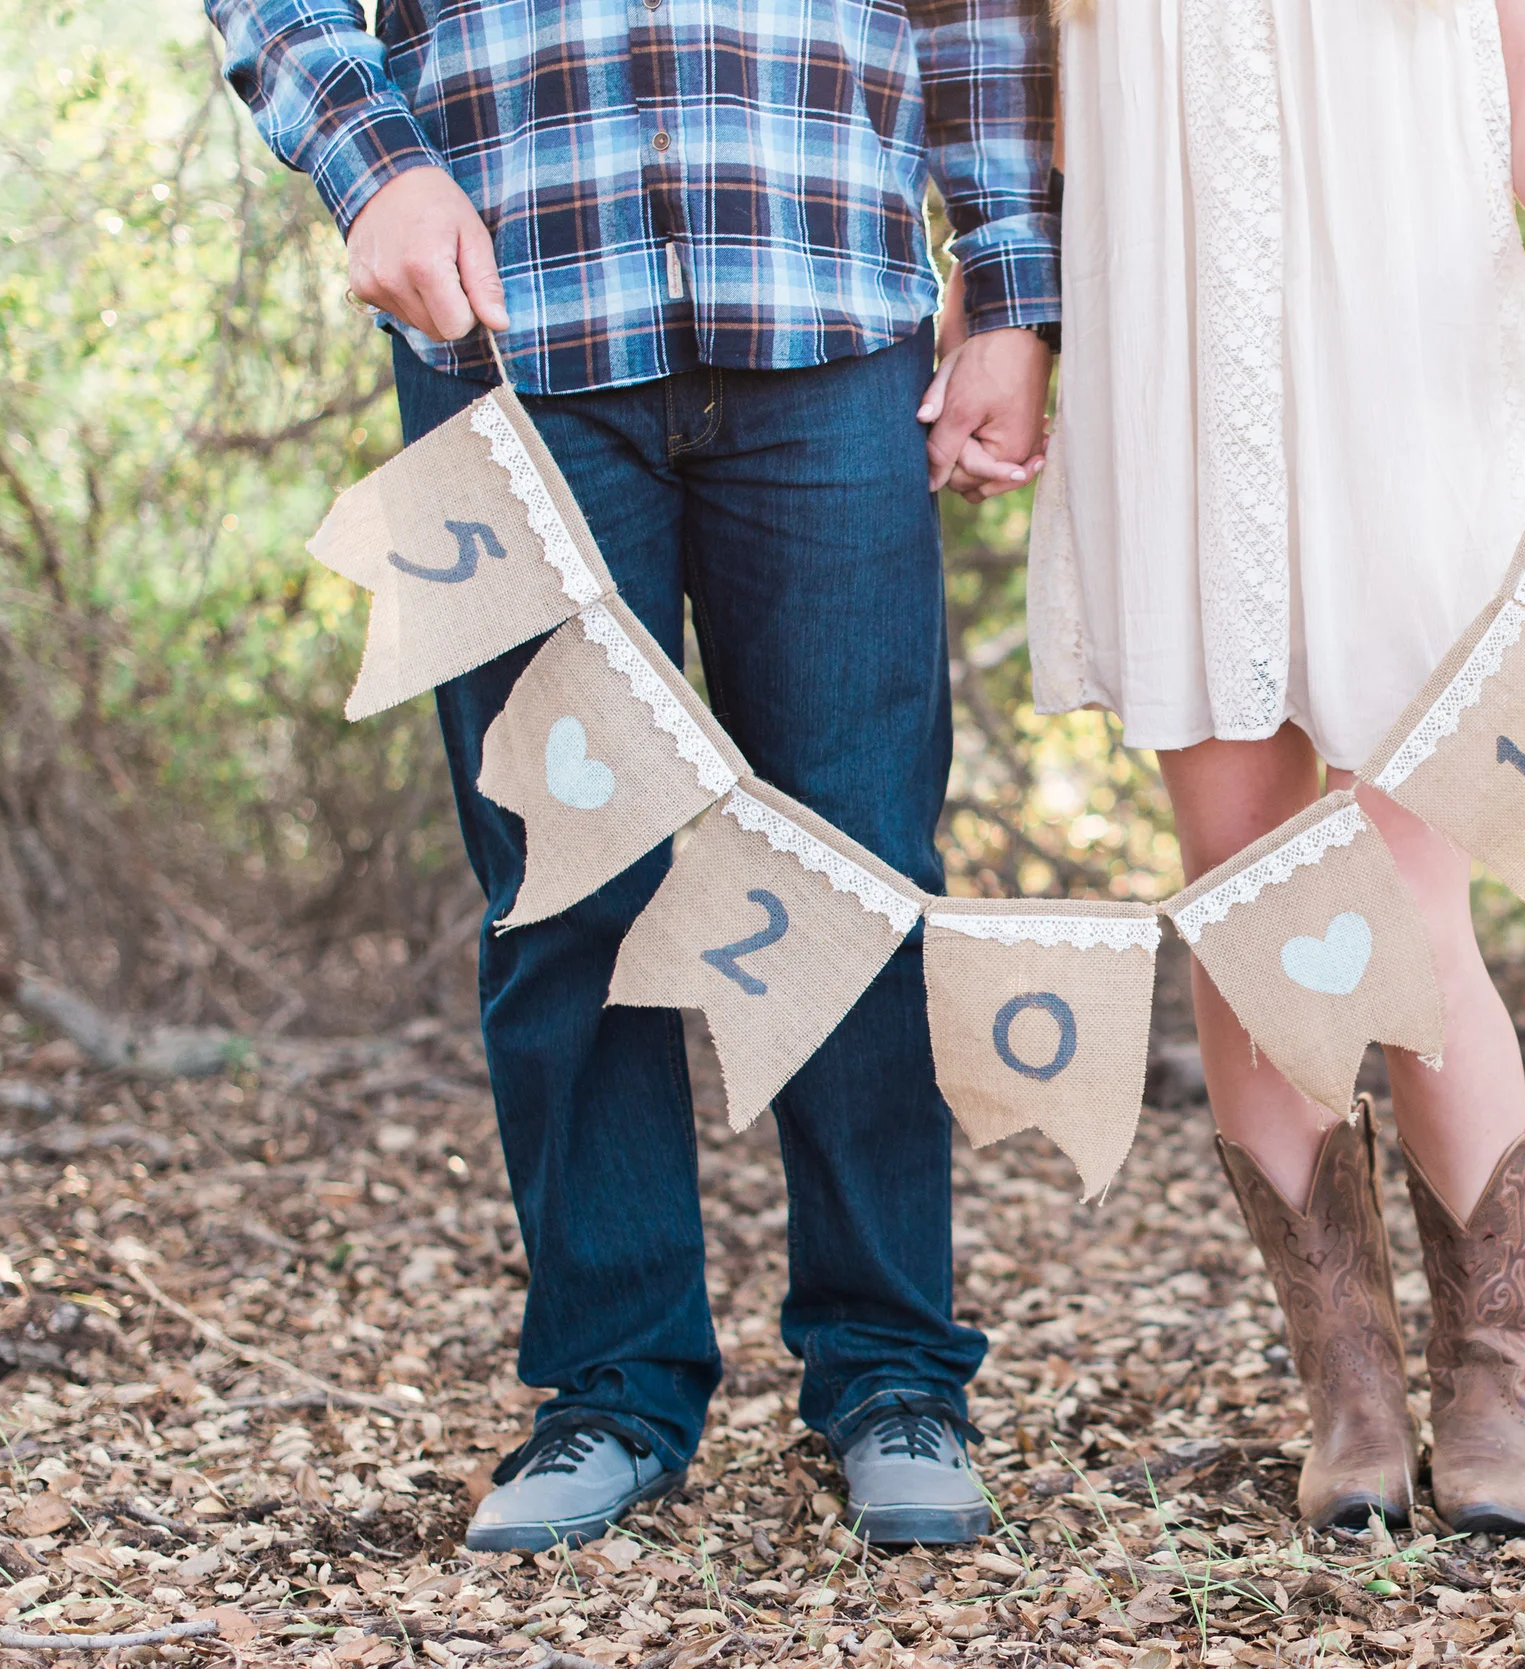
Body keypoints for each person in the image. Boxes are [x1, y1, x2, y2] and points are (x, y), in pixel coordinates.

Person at [204, 0, 1059, 1550]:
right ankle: (612, 1384)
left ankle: (891, 1372)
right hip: (505, 323)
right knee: (563, 877)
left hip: (826, 290)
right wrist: (370, 158)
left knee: (859, 868)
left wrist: (1008, 278)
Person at [1021, 0, 1525, 1534]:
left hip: (1413, 370)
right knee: (1252, 895)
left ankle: (1499, 1376)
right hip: (1176, 361)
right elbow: (1017, 80)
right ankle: (1350, 1386)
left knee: (1408, 888)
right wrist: (1008, 316)